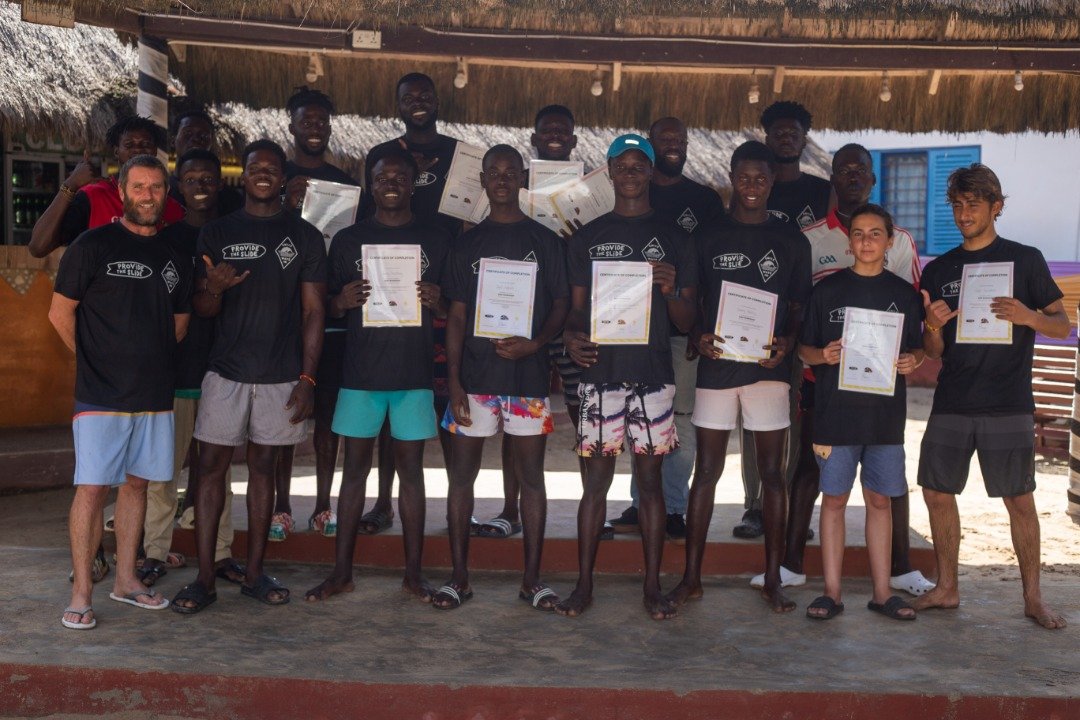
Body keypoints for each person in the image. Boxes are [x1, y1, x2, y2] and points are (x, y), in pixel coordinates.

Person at [769, 143, 932, 596]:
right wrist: (817, 356)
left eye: (862, 169)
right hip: (822, 382)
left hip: (880, 389)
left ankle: (898, 568)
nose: (853, 176)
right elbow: (801, 305)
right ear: (833, 179)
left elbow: (912, 314)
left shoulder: (901, 242)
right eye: (845, 170)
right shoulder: (813, 236)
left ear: (873, 179)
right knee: (809, 470)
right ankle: (792, 563)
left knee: (887, 482)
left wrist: (912, 358)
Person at [170, 140, 326, 614]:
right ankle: (204, 578)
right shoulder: (217, 231)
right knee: (210, 470)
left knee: (263, 471)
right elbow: (202, 307)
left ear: (283, 178)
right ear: (246, 177)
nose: (263, 174)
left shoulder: (303, 236)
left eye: (271, 168)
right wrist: (212, 290)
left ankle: (255, 573)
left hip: (281, 375)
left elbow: (314, 311)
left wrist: (308, 378)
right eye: (254, 167)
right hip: (226, 372)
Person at [33, 115, 185, 584]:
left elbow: (177, 324)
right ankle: (81, 591)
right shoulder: (91, 243)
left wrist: (144, 357)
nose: (147, 194)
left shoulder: (173, 251)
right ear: (122, 191)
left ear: (165, 192)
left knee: (138, 486)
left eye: (155, 187)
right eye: (137, 186)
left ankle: (125, 581)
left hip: (154, 394)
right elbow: (60, 314)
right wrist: (98, 357)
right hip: (100, 395)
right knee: (93, 488)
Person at [915, 164, 1067, 630]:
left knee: (1019, 499)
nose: (964, 214)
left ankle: (1033, 599)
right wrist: (933, 327)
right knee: (937, 491)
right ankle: (947, 587)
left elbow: (1063, 325)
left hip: (1008, 400)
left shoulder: (1026, 259)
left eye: (974, 205)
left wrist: (1028, 315)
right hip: (954, 399)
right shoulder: (940, 269)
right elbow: (932, 350)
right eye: (957, 205)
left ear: (996, 207)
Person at [666, 141, 810, 613]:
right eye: (744, 178)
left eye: (761, 178)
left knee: (772, 475)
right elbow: (690, 305)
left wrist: (787, 343)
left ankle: (772, 579)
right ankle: (692, 578)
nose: (752, 186)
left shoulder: (791, 241)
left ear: (772, 181)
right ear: (732, 177)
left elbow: (799, 307)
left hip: (769, 371)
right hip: (716, 369)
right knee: (706, 472)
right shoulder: (704, 236)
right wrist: (700, 333)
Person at [559, 134, 696, 620]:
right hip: (601, 374)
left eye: (642, 165)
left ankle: (652, 587)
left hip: (654, 376)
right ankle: (583, 585)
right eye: (624, 165)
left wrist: (673, 286)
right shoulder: (587, 237)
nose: (632, 173)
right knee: (595, 484)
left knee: (651, 483)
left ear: (652, 171)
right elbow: (576, 314)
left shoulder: (675, 237)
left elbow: (686, 319)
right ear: (610, 172)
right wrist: (574, 339)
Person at [304, 149, 450, 603]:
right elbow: (322, 305)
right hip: (360, 374)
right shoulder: (348, 240)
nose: (391, 183)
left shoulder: (436, 238)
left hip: (413, 374)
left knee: (412, 474)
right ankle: (341, 572)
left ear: (413, 182)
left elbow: (452, 308)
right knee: (355, 473)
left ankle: (413, 574)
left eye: (400, 176)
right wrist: (341, 302)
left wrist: (437, 302)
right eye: (382, 176)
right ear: (369, 183)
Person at [434, 144, 570, 610]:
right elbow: (455, 317)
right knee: (461, 479)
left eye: (511, 172)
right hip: (474, 380)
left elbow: (559, 305)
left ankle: (532, 580)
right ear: (484, 180)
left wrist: (537, 344)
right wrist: (453, 381)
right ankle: (459, 578)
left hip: (528, 380)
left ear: (522, 179)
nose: (502, 179)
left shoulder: (545, 241)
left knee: (532, 478)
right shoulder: (467, 244)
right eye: (494, 172)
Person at [800, 203, 921, 622]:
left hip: (884, 418)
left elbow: (918, 347)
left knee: (880, 502)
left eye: (875, 234)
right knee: (833, 501)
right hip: (835, 415)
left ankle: (882, 592)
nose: (866, 241)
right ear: (848, 242)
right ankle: (831, 593)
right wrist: (824, 355)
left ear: (890, 242)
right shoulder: (826, 292)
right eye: (858, 234)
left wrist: (913, 361)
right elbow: (804, 349)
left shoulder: (903, 295)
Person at [608, 116, 726, 543]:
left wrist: (700, 327)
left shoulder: (705, 199)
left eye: (681, 138)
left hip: (681, 332)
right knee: (637, 422)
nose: (675, 145)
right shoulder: (629, 189)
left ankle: (672, 508)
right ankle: (643, 504)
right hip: (626, 331)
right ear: (652, 148)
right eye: (665, 139)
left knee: (678, 422)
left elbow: (712, 267)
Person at [359, 73, 462, 537]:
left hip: (443, 289)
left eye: (424, 95)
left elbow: (475, 219)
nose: (417, 102)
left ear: (438, 99)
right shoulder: (384, 158)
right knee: (392, 403)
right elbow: (364, 221)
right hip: (392, 298)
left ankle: (459, 507)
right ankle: (382, 503)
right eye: (408, 97)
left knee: (447, 398)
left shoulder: (462, 155)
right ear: (396, 104)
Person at [476, 104, 582, 541]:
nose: (554, 135)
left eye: (562, 130)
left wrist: (579, 238)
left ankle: (588, 504)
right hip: (521, 319)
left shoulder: (593, 187)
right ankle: (509, 509)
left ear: (574, 141)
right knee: (514, 410)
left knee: (583, 411)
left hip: (571, 317)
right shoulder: (512, 182)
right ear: (533, 139)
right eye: (546, 129)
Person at [141, 149, 244, 589]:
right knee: (163, 469)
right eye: (190, 178)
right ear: (178, 187)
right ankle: (154, 551)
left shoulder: (235, 237)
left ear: (220, 184)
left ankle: (219, 553)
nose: (200, 185)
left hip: (224, 370)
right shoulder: (165, 241)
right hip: (177, 372)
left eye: (208, 177)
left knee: (215, 471)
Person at [734, 100, 833, 540]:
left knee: (792, 418)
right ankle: (754, 505)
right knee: (751, 416)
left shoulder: (820, 191)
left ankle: (791, 507)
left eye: (794, 132)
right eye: (778, 132)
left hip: (805, 321)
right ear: (768, 137)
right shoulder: (750, 189)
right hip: (753, 320)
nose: (786, 138)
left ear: (804, 137)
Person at [272, 87, 362, 543]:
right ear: (290, 125)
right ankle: (281, 505)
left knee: (327, 416)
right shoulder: (276, 176)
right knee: (285, 415)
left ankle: (324, 504)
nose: (314, 129)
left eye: (321, 122)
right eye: (306, 121)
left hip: (334, 321)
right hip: (283, 321)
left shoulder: (343, 184)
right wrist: (289, 200)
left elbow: (349, 246)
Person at [30, 115, 184, 259]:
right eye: (129, 145)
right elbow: (38, 247)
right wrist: (71, 184)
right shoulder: (94, 196)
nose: (137, 150)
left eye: (145, 144)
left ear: (155, 151)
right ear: (117, 151)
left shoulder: (172, 207)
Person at [168, 109, 243, 214]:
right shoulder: (161, 192)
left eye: (204, 135)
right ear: (173, 140)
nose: (196, 139)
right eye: (188, 133)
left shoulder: (231, 199)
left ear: (211, 143)